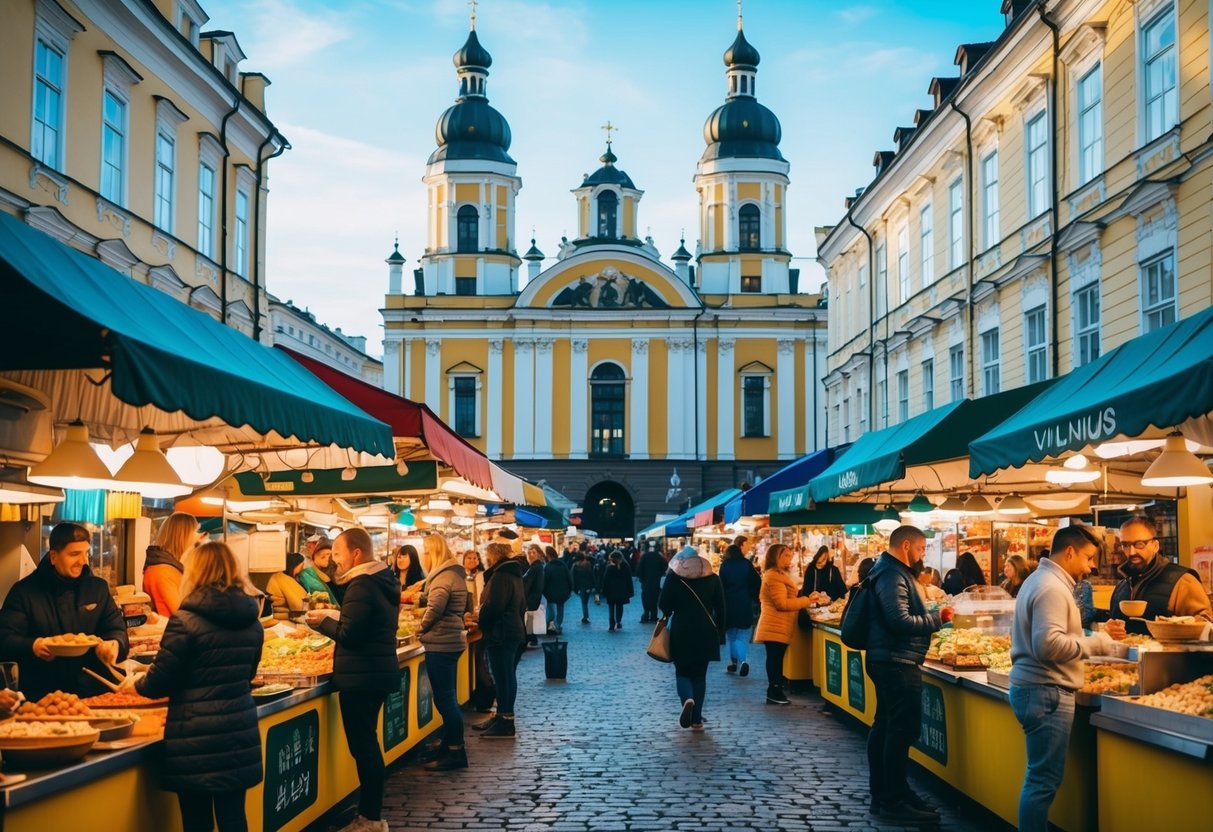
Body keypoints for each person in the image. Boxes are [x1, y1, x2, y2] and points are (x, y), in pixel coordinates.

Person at [125, 541, 264, 832]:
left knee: (197, 822)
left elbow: (158, 682)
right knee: (234, 818)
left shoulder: (185, 621)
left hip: (195, 738)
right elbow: (248, 674)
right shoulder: (253, 622)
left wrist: (132, 683)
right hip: (239, 731)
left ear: (194, 571)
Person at [1009, 524, 1129, 832]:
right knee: (1041, 782)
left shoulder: (1041, 580)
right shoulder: (1051, 586)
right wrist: (1098, 644)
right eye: (1089, 558)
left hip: (1035, 688)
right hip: (1046, 690)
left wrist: (1094, 634)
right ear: (1070, 552)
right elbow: (1047, 644)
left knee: (1038, 778)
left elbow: (1055, 635)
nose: (1091, 567)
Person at [305, 528, 399, 831]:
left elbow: (349, 634)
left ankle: (370, 818)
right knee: (367, 744)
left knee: (364, 747)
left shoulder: (362, 584)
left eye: (337, 554)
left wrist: (323, 622)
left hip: (362, 676)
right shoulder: (383, 580)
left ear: (356, 553)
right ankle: (370, 814)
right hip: (374, 672)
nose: (334, 561)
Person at [864, 525, 943, 825]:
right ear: (907, 545)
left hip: (889, 659)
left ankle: (886, 793)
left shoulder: (888, 571)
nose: (923, 555)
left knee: (886, 727)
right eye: (922, 549)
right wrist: (937, 618)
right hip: (896, 661)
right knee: (900, 730)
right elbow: (899, 620)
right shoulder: (892, 574)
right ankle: (893, 799)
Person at [0, 522, 127, 700]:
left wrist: (115, 644)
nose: (83, 561)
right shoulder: (24, 591)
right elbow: (4, 640)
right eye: (74, 554)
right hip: (43, 695)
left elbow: (116, 630)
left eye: (86, 553)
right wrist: (33, 646)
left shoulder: (97, 588)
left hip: (94, 692)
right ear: (53, 556)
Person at [1106, 516, 1213, 636]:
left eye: (1139, 544)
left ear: (1155, 546)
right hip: (1126, 654)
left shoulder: (1182, 580)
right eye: (1125, 545)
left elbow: (1207, 624)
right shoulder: (1122, 585)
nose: (1131, 552)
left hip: (1170, 654)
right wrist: (1110, 629)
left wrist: (1171, 627)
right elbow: (1113, 623)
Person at [658, 545, 726, 731]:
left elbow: (664, 605)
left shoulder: (674, 578)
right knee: (700, 675)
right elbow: (721, 608)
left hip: (681, 630)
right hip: (706, 631)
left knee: (682, 671)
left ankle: (687, 699)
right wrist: (720, 634)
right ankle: (697, 720)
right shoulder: (713, 578)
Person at [417, 534, 469, 771]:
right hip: (451, 640)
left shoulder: (442, 577)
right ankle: (449, 746)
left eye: (426, 552)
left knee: (445, 699)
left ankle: (456, 751)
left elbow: (435, 608)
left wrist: (420, 627)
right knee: (448, 697)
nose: (423, 556)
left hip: (441, 642)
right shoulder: (454, 573)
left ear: (433, 553)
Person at [472, 542, 525, 739]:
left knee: (503, 677)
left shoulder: (501, 576)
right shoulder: (513, 574)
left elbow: (494, 607)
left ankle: (505, 721)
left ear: (494, 556)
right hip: (511, 630)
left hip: (501, 633)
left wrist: (481, 620)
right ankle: (502, 716)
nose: (485, 559)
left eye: (487, 555)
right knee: (507, 676)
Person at [753, 543, 816, 705]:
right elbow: (782, 604)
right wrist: (806, 600)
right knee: (775, 660)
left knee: (776, 659)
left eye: (790, 555)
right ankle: (774, 692)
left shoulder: (778, 575)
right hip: (774, 625)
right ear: (776, 557)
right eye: (786, 555)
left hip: (779, 625)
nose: (790, 558)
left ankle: (775, 692)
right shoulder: (774, 576)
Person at [144, 511, 202, 616]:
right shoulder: (162, 573)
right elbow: (183, 615)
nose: (198, 541)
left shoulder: (172, 569)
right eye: (195, 534)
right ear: (182, 538)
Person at [718, 542, 761, 676]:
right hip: (744, 602)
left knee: (731, 636)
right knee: (742, 636)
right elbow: (757, 581)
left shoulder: (724, 566)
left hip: (729, 604)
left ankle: (734, 663)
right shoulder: (746, 564)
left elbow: (721, 586)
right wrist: (752, 595)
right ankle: (743, 661)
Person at [266, 552, 309, 620]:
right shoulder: (281, 578)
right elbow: (297, 606)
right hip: (283, 617)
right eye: (301, 565)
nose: (303, 568)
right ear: (295, 565)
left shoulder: (292, 578)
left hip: (289, 616)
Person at [297, 539, 339, 605]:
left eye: (329, 555)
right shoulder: (306, 574)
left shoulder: (334, 573)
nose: (327, 558)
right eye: (323, 556)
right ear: (314, 559)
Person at [542, 547, 573, 634]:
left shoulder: (547, 567)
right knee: (560, 609)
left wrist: (542, 591)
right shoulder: (563, 565)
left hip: (550, 593)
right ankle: (558, 625)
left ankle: (549, 625)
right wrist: (571, 589)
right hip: (562, 593)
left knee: (550, 609)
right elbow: (569, 578)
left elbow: (544, 581)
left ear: (548, 555)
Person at [601, 551, 633, 631]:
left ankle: (611, 625)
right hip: (622, 591)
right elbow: (629, 580)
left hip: (611, 591)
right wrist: (630, 591)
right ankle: (618, 622)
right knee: (619, 606)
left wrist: (604, 591)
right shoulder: (626, 566)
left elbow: (605, 581)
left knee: (611, 608)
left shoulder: (609, 568)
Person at [521, 545, 545, 648]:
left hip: (531, 598)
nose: (530, 555)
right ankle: (531, 639)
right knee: (529, 620)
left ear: (539, 554)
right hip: (531, 598)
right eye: (529, 553)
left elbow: (532, 585)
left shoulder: (537, 567)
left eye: (533, 552)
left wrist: (526, 598)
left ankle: (529, 639)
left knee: (528, 619)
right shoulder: (533, 567)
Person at [635, 544, 667, 623]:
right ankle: (654, 615)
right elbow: (664, 567)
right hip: (656, 581)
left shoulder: (644, 557)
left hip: (646, 582)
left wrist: (641, 578)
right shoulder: (659, 557)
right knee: (655, 598)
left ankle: (646, 614)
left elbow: (639, 569)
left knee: (646, 598)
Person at [571, 552, 597, 624]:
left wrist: (574, 589)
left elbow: (574, 578)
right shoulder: (588, 565)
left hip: (580, 587)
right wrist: (593, 586)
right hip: (588, 587)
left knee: (584, 602)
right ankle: (586, 616)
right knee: (585, 602)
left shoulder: (575, 566)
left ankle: (585, 616)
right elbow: (592, 576)